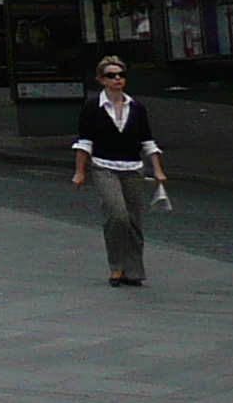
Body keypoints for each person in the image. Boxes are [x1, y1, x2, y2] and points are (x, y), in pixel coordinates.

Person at [71, 56, 167, 288]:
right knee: (117, 215)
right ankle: (116, 267)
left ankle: (133, 270)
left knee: (133, 219)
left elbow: (147, 141)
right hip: (104, 166)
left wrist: (157, 170)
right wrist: (79, 172)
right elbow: (85, 142)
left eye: (120, 75)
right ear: (101, 80)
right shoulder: (92, 107)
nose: (117, 79)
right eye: (111, 76)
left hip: (133, 168)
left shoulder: (136, 107)